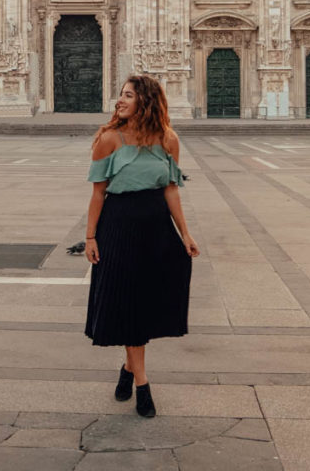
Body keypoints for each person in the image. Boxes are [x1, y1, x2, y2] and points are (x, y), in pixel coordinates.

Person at [84, 75, 199, 418]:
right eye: (120, 94)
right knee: (126, 301)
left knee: (145, 304)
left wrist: (186, 234)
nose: (119, 100)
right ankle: (143, 385)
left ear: (146, 101)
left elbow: (171, 190)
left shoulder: (168, 140)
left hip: (156, 228)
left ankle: (127, 368)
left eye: (128, 95)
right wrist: (90, 237)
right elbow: (98, 193)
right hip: (119, 226)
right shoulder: (108, 139)